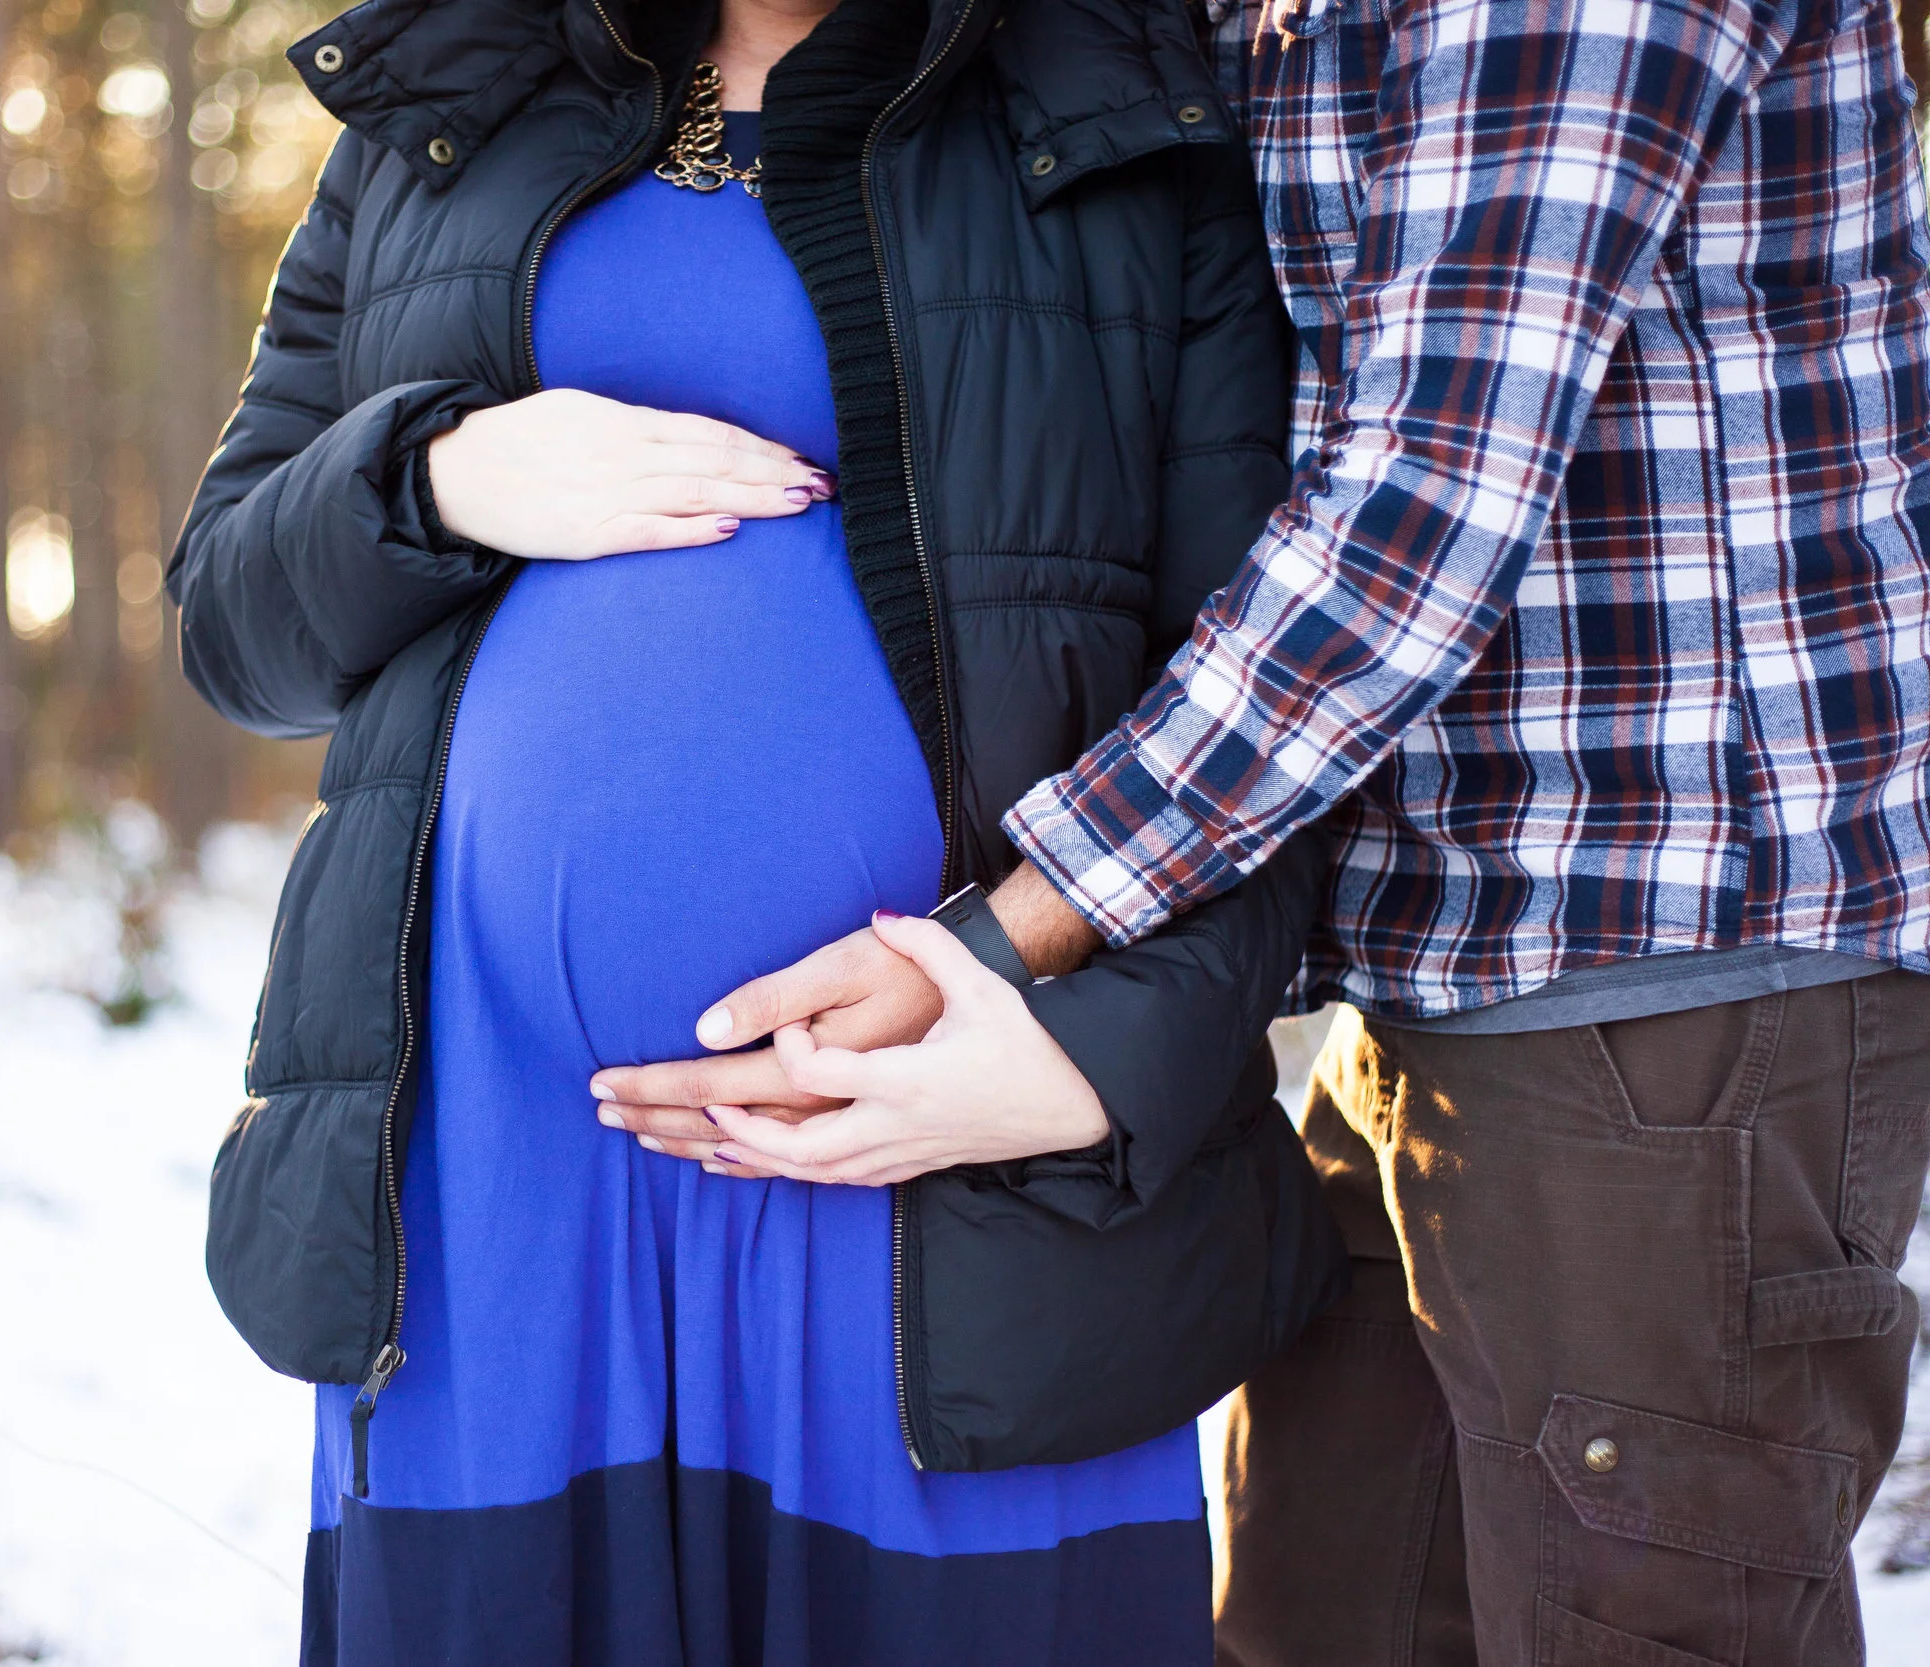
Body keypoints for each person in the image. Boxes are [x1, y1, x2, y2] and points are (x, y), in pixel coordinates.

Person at [597, 0, 1930, 1655]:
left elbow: (1419, 509)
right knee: (1321, 1613)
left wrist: (1018, 934)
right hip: (1437, 959)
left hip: (1673, 961)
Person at [166, 0, 1348, 1657]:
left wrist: (1088, 1053)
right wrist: (440, 474)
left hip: (958, 1183)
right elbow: (233, 621)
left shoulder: (1132, 107)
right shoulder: (444, 98)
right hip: (501, 1186)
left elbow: (1289, 679)